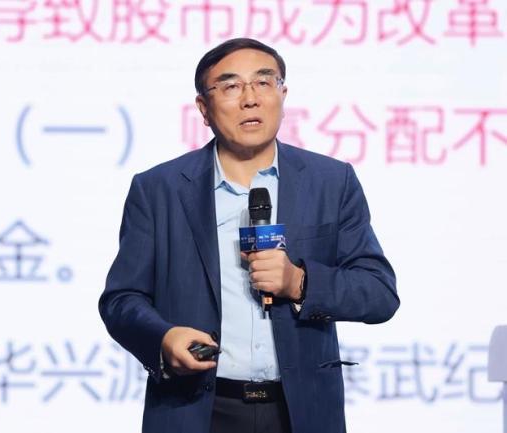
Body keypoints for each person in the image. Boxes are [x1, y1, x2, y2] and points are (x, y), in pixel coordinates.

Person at [99, 38, 399, 433]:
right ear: (203, 108)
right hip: (197, 410)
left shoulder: (330, 181)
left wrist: (299, 282)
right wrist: (163, 338)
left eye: (263, 82)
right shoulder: (159, 189)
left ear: (282, 95)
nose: (250, 99)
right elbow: (121, 300)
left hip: (300, 413)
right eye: (230, 86)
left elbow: (378, 292)